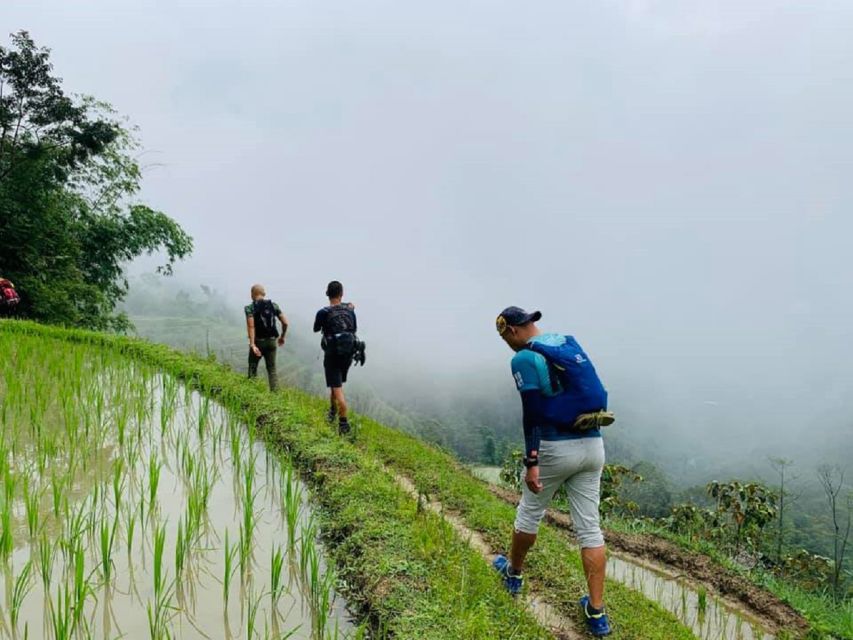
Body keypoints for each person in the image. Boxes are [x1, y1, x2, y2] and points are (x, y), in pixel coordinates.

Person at [492, 306, 613, 637]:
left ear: (512, 330)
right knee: (590, 528)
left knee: (529, 512)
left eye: (504, 337)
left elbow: (531, 413)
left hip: (554, 447)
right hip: (592, 444)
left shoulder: (524, 359)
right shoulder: (565, 343)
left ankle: (513, 574)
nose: (507, 343)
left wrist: (532, 461)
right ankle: (597, 612)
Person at [313, 280, 357, 435]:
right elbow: (354, 328)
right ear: (342, 294)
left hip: (332, 354)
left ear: (327, 294)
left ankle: (343, 423)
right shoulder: (350, 311)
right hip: (348, 354)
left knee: (337, 389)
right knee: (335, 383)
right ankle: (332, 412)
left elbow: (316, 328)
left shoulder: (323, 312)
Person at [244, 284, 288, 391]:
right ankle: (275, 395)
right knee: (272, 369)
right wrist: (282, 337)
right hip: (272, 342)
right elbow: (285, 323)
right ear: (264, 294)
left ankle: (252, 392)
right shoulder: (274, 306)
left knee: (253, 367)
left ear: (252, 295)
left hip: (259, 342)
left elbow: (251, 326)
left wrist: (253, 344)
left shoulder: (250, 308)